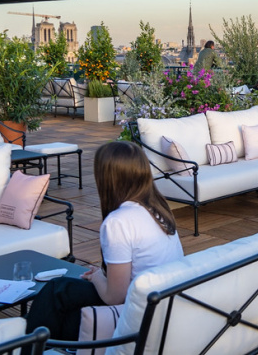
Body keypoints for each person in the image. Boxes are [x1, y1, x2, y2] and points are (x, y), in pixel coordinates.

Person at [24, 141, 185, 341]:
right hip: (162, 304)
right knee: (66, 302)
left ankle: (29, 347)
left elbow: (115, 296)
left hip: (137, 313)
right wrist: (101, 275)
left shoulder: (118, 222)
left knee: (57, 290)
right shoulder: (158, 209)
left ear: (108, 179)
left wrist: (98, 277)